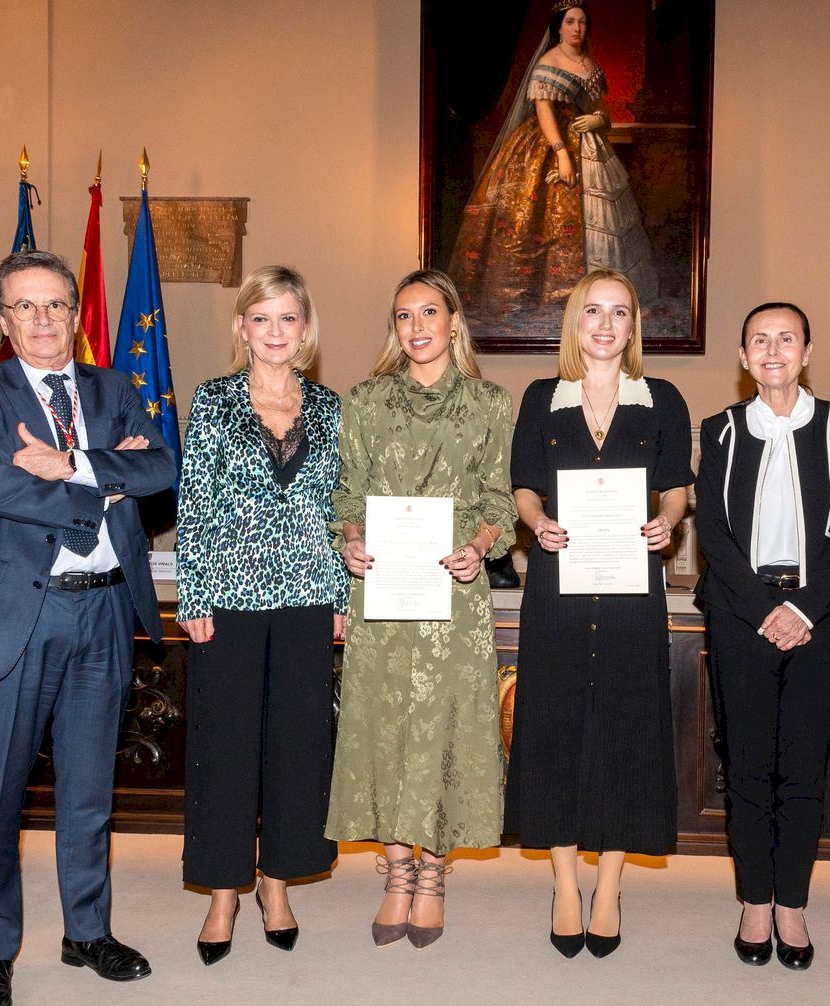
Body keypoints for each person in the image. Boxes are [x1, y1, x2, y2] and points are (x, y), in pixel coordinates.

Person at [0, 250, 175, 1006]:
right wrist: (104, 482)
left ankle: (87, 933)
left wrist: (68, 462)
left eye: (56, 305)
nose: (43, 319)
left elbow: (162, 468)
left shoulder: (114, 388)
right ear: (3, 318)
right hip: (17, 615)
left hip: (105, 610)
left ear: (75, 314)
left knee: (88, 790)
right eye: (25, 306)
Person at [325, 268, 517, 950]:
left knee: (447, 731)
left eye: (429, 313)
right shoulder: (364, 401)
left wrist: (480, 545)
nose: (417, 327)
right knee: (383, 730)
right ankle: (396, 873)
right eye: (404, 315)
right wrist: (351, 540)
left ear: (454, 320)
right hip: (381, 592)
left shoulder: (490, 403)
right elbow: (346, 495)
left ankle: (432, 877)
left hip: (454, 595)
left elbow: (500, 501)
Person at [504, 267, 693, 958]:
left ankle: (608, 886)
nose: (606, 324)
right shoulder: (541, 398)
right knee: (553, 729)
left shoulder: (661, 399)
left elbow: (676, 486)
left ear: (633, 324)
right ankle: (564, 884)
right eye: (593, 311)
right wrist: (537, 522)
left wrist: (668, 521)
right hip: (557, 588)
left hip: (631, 591)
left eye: (619, 312)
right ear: (575, 322)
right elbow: (524, 484)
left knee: (627, 731)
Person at [175, 266, 349, 965]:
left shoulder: (331, 408)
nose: (275, 332)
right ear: (242, 327)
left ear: (305, 329)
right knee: (224, 749)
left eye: (288, 318)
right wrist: (193, 595)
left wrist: (341, 596)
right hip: (229, 604)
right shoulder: (213, 400)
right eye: (261, 318)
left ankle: (277, 884)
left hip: (308, 600)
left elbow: (340, 509)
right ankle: (224, 893)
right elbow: (194, 505)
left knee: (299, 749)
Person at [694, 303, 830, 970]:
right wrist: (767, 607)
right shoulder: (722, 430)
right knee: (747, 766)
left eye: (786, 339)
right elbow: (713, 532)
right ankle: (754, 901)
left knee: (802, 766)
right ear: (743, 357)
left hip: (820, 615)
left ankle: (791, 902)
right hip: (743, 613)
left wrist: (803, 608)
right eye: (759, 341)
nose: (773, 350)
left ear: (807, 351)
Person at [448, 1, 657, 327]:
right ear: (558, 27)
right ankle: (545, 298)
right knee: (538, 215)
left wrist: (598, 119)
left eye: (582, 22)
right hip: (547, 143)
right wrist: (561, 153)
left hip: (588, 144)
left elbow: (600, 109)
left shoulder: (589, 63)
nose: (577, 28)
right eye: (570, 21)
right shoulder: (548, 62)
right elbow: (543, 110)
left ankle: (603, 297)